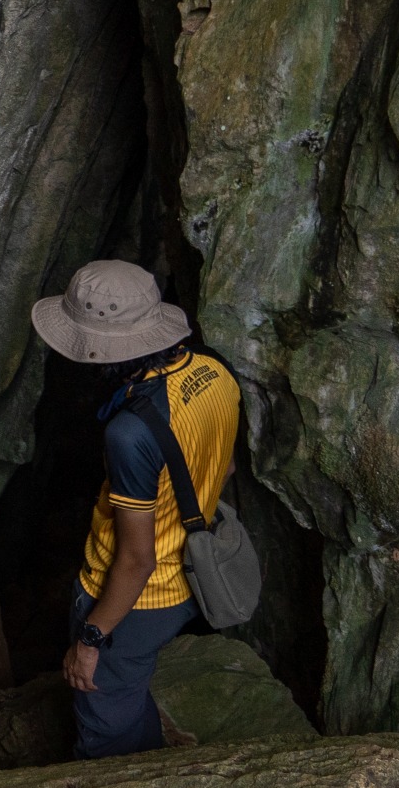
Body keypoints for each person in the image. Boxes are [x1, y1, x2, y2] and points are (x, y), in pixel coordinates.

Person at [28, 262, 242, 758]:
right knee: (127, 693)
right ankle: (148, 746)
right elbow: (225, 466)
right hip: (192, 570)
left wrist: (90, 639)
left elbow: (136, 560)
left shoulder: (129, 434)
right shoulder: (213, 371)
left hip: (138, 600)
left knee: (104, 725)